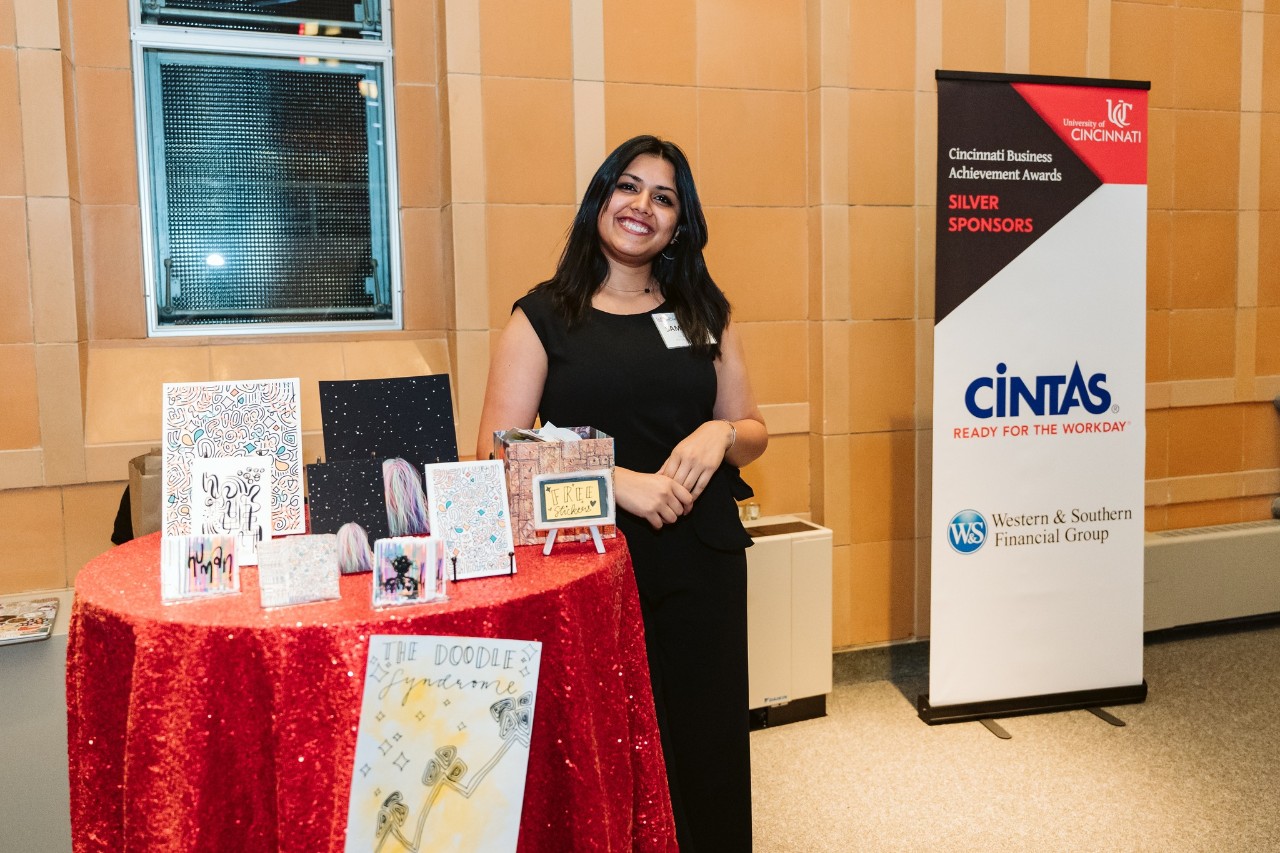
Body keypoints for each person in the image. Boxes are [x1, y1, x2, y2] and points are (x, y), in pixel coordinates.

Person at [475, 134, 767, 851]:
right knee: (614, 755)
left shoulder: (704, 310)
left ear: (680, 223)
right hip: (596, 564)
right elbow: (493, 456)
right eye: (628, 187)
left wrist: (720, 436)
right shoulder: (542, 316)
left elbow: (754, 428)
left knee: (707, 754)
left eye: (664, 197)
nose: (643, 206)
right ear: (601, 200)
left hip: (704, 563)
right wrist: (613, 484)